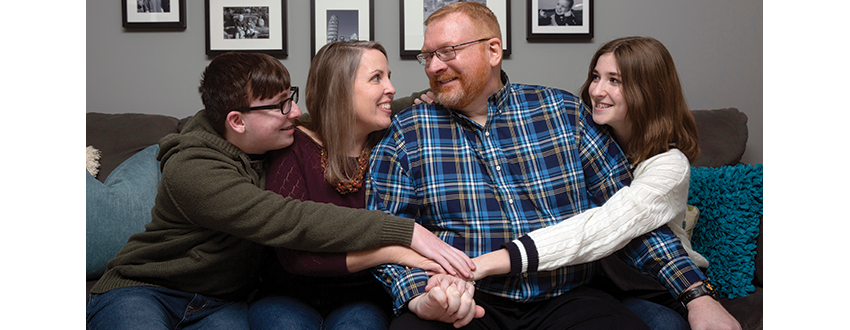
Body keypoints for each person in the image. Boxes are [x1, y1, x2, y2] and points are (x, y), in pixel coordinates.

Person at [86, 52, 474, 330]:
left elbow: (334, 111)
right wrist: (403, 232)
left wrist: (406, 101)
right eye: (281, 105)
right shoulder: (193, 169)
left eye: (292, 97)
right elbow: (288, 218)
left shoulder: (273, 136)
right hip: (147, 289)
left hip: (221, 304)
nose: (293, 112)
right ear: (237, 121)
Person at [468, 36, 741, 330]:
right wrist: (450, 101)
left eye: (614, 81)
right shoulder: (584, 137)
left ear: (648, 91)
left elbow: (606, 226)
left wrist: (492, 261)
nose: (597, 91)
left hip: (657, 282)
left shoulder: (669, 165)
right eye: (596, 77)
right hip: (597, 282)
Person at [248, 41, 446, 330]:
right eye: (377, 78)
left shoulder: (392, 145)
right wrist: (390, 251)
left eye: (389, 76)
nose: (391, 88)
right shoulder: (293, 147)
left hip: (362, 297)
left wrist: (432, 99)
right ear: (339, 90)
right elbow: (296, 260)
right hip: (287, 294)